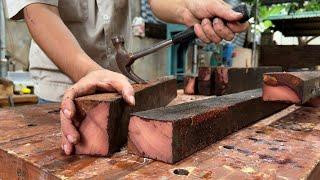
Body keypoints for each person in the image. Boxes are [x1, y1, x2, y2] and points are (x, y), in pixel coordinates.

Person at [4, 0, 249, 155]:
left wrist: (189, 7)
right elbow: (37, 9)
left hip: (119, 89)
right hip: (59, 93)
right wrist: (89, 72)